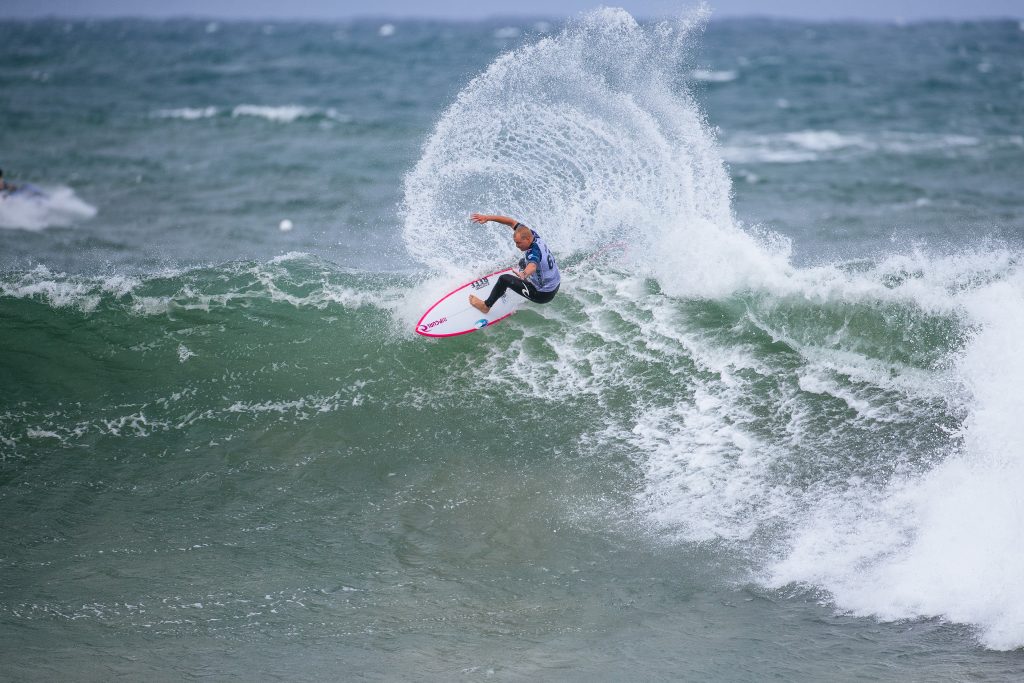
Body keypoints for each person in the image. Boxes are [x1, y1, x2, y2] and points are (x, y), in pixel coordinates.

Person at [468, 213, 560, 314]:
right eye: (516, 242)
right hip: (555, 284)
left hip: (543, 294)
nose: (517, 246)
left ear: (528, 239)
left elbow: (532, 266)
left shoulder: (534, 252)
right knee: (522, 262)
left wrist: (523, 274)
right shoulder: (532, 235)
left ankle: (486, 306)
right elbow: (511, 222)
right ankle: (516, 284)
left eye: (519, 243)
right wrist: (487, 218)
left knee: (504, 279)